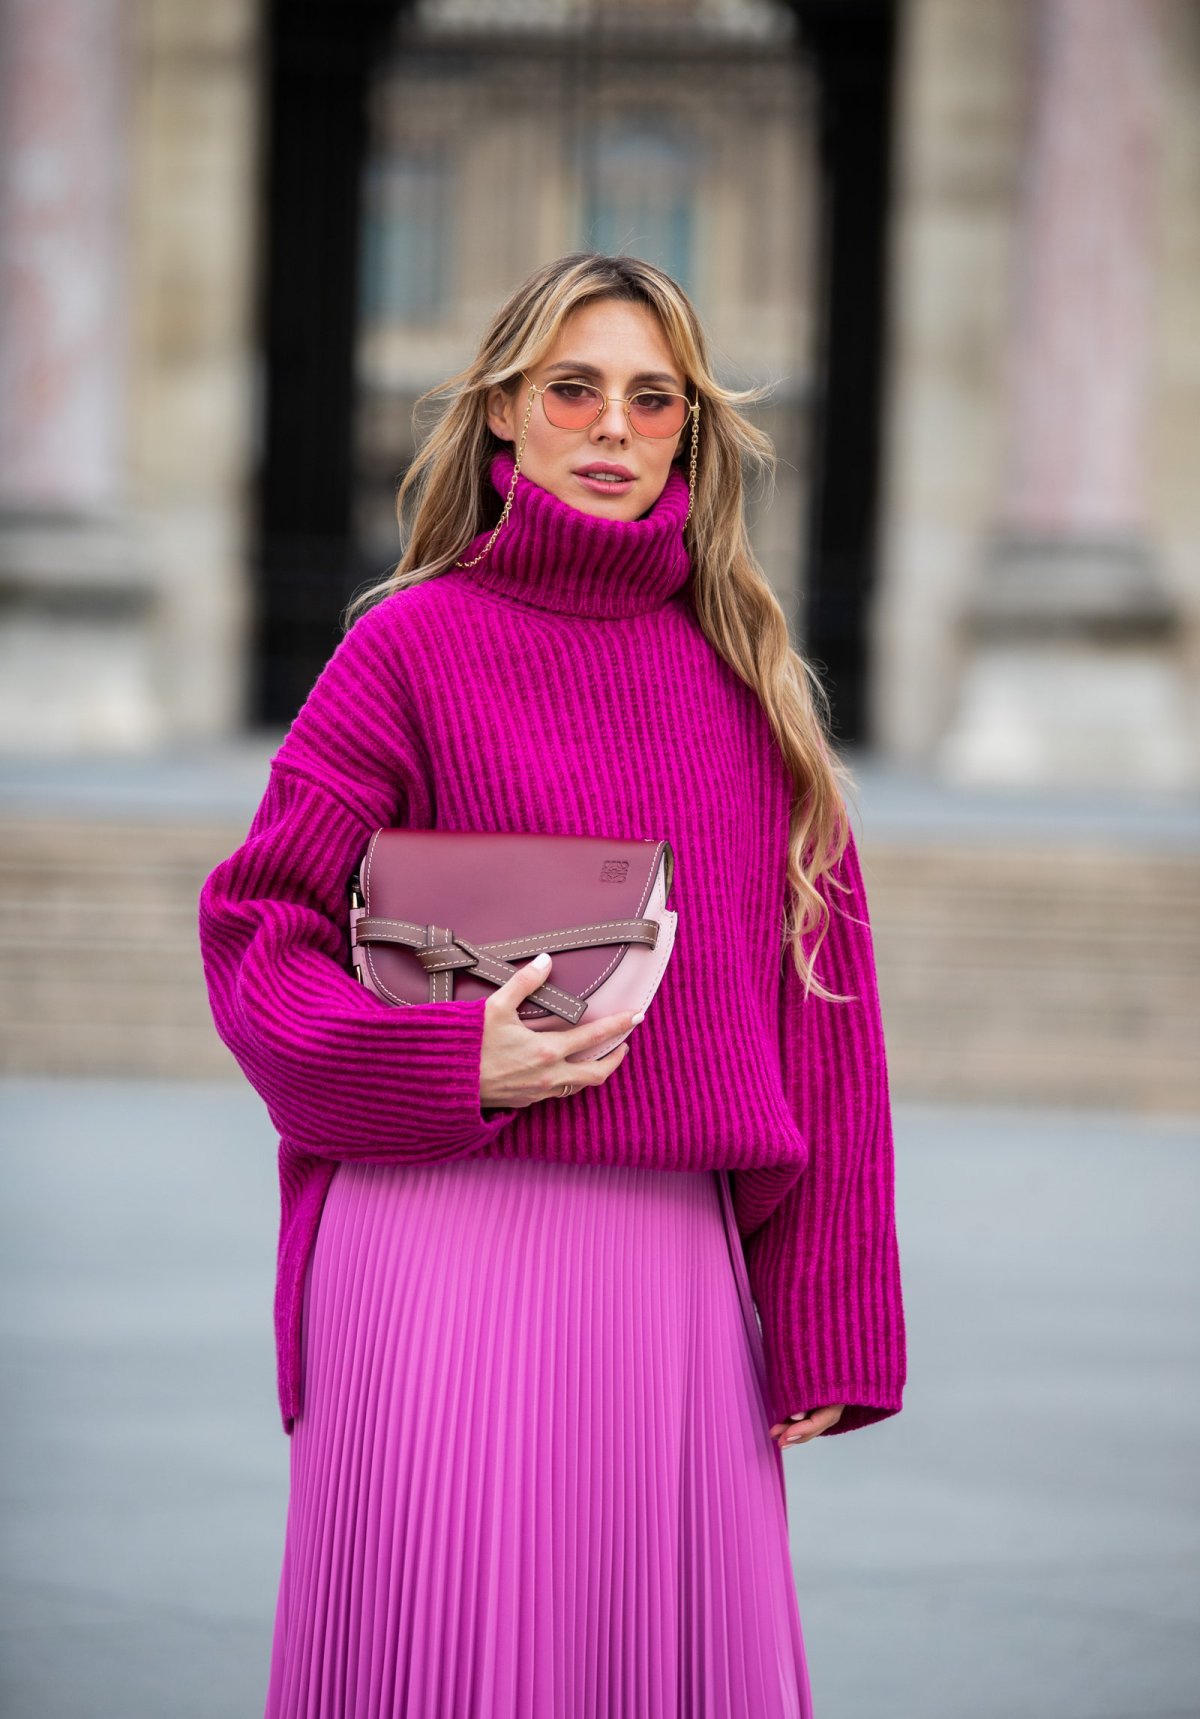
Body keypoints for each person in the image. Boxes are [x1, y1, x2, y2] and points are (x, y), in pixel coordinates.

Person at [198, 250, 906, 1719]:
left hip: (668, 1278)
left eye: (653, 400)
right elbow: (256, 928)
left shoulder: (747, 679)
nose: (610, 427)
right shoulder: (404, 647)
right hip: (426, 1244)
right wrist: (445, 1065)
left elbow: (827, 1011)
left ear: (689, 439)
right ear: (505, 415)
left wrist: (830, 1310)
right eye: (572, 389)